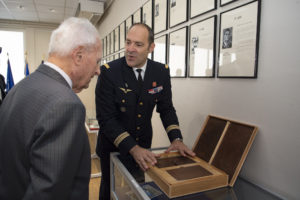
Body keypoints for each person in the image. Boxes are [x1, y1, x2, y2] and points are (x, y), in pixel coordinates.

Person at [0, 17, 102, 200]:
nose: (98, 70)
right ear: (78, 56)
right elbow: (48, 193)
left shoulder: (20, 88)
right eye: (97, 61)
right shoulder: (65, 104)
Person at [95, 23, 195, 200]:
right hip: (113, 146)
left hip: (143, 144)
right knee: (109, 189)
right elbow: (106, 119)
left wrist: (176, 139)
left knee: (138, 188)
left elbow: (166, 108)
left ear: (151, 47)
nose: (130, 49)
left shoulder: (160, 72)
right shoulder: (110, 72)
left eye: (138, 44)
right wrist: (133, 148)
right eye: (128, 42)